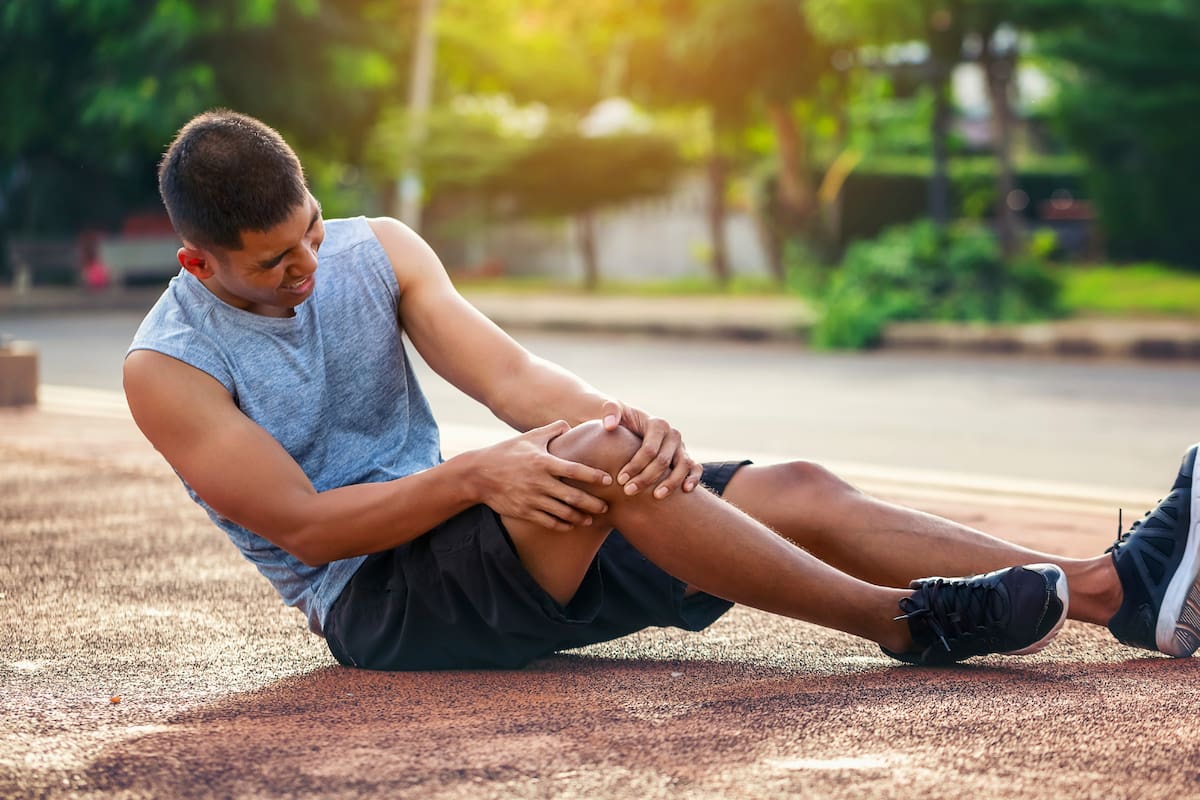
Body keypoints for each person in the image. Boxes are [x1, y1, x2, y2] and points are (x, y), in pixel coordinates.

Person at [124, 110, 1200, 671]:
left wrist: (623, 421)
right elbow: (308, 530)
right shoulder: (166, 367)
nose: (309, 267)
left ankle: (1118, 591)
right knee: (583, 460)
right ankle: (904, 624)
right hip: (381, 603)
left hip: (505, 530)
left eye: (311, 229)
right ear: (199, 262)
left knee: (793, 486)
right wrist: (479, 477)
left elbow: (512, 377)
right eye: (275, 263)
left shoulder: (380, 251)